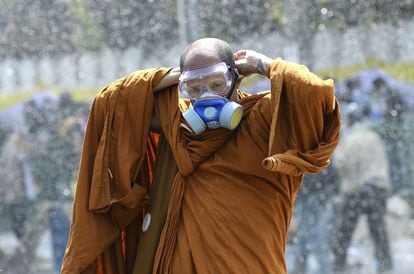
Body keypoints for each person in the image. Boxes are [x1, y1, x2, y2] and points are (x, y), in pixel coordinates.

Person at [61, 37, 341, 274]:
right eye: (194, 88)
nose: (206, 97)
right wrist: (169, 76)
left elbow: (316, 96)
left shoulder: (263, 120)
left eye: (216, 84)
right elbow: (110, 104)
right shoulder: (180, 128)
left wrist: (263, 65)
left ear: (235, 78)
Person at [332, 103, 393, 273]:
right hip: (379, 188)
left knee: (344, 232)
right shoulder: (375, 137)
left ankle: (338, 266)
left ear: (350, 121)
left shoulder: (353, 140)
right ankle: (385, 265)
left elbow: (343, 165)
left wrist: (337, 150)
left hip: (358, 191)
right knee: (378, 231)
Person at [291, 164, 339, 274]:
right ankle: (301, 269)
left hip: (321, 197)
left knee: (318, 238)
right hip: (307, 196)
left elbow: (332, 176)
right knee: (305, 238)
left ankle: (325, 269)